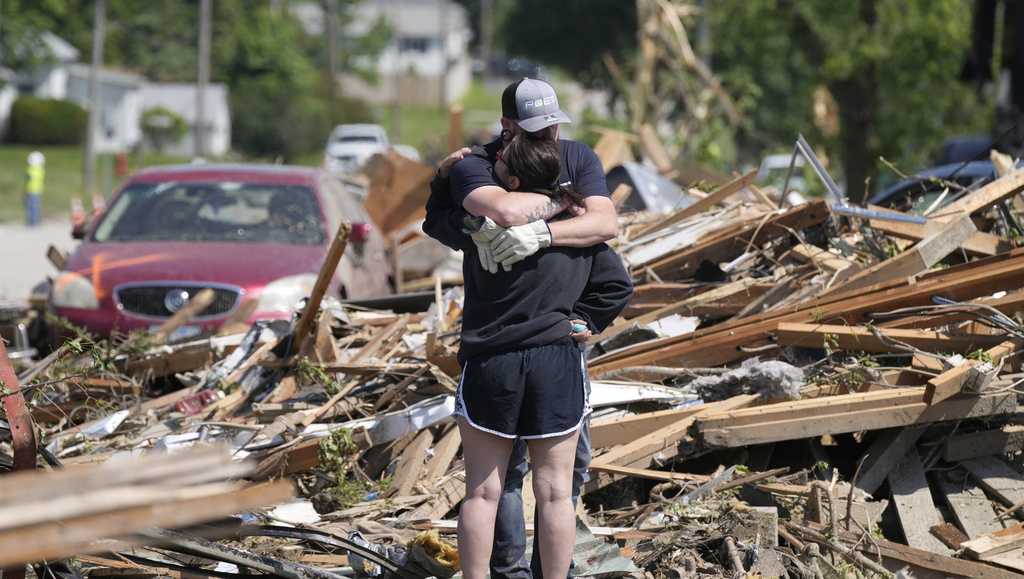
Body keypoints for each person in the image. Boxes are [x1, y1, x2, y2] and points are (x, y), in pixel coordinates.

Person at [424, 78, 620, 579]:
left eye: (553, 124)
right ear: (506, 128)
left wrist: (542, 231)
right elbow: (604, 255)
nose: (549, 134)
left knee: (484, 490)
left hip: (495, 355)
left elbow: (605, 221)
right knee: (550, 491)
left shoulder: (571, 158)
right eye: (538, 128)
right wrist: (567, 204)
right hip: (553, 356)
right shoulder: (477, 164)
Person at [24, 151, 45, 227]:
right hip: (37, 190)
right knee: (34, 207)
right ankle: (33, 222)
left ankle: (33, 222)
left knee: (32, 207)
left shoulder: (31, 169)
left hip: (32, 190)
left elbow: (28, 178)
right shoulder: (41, 170)